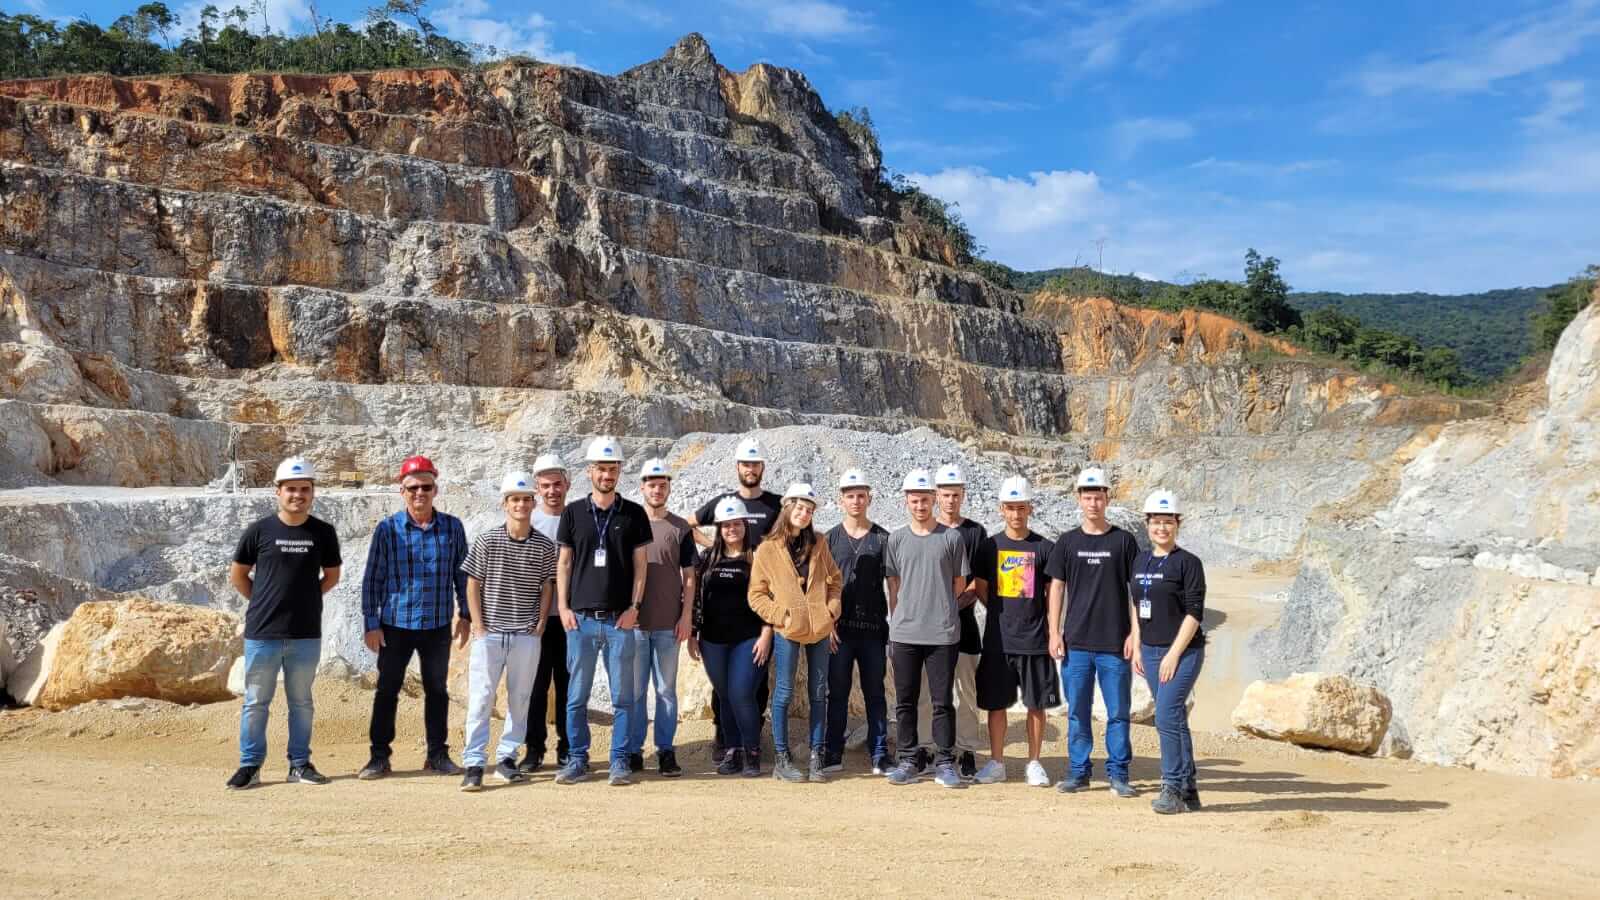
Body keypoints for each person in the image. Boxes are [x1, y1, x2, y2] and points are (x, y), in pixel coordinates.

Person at [226, 456, 342, 789]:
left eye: (304, 489)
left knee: (301, 702)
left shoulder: (323, 532)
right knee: (255, 702)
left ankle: (300, 763)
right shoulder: (259, 530)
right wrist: (264, 602)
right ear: (278, 491)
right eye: (291, 489)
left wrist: (304, 600)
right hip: (263, 634)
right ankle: (250, 765)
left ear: (312, 492)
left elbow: (331, 577)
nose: (297, 495)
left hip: (305, 634)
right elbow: (239, 576)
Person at [357, 455, 469, 781]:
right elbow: (372, 579)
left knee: (437, 690)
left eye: (426, 487)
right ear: (402, 491)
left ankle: (437, 754)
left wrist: (465, 615)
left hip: (436, 625)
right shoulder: (388, 529)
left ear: (435, 489)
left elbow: (462, 575)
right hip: (395, 625)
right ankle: (379, 757)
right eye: (413, 488)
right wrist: (371, 622)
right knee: (387, 690)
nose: (420, 493)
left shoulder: (453, 527)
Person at [554, 436, 653, 787]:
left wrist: (635, 607)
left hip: (619, 622)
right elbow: (563, 564)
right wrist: (563, 607)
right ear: (589, 471)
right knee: (576, 696)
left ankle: (619, 761)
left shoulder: (634, 514)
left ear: (619, 471)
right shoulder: (573, 513)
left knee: (623, 698)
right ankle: (577, 759)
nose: (607, 474)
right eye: (601, 468)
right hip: (580, 621)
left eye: (612, 469)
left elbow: (641, 567)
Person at [1046, 466, 1142, 797]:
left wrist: (1135, 634)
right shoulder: (1068, 542)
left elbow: (1136, 592)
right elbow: (1056, 588)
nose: (1093, 503)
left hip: (1115, 645)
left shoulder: (1124, 541)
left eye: (1098, 496)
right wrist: (1054, 633)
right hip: (1076, 644)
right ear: (1079, 499)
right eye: (1087, 496)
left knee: (1117, 713)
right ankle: (1079, 772)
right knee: (1077, 713)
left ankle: (1118, 774)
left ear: (1107, 499)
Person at [458, 471, 556, 792]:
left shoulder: (544, 546)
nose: (521, 505)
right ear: (505, 503)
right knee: (482, 698)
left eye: (527, 499)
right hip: (491, 634)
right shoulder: (488, 540)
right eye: (516, 499)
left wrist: (541, 622)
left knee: (520, 700)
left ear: (533, 503)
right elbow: (472, 582)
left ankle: (506, 759)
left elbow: (546, 585)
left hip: (526, 636)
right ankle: (473, 762)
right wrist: (479, 624)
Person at [687, 437, 781, 758]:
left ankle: (752, 739)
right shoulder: (722, 502)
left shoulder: (775, 505)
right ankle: (725, 737)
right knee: (724, 686)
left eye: (755, 464)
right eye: (745, 464)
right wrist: (712, 548)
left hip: (758, 605)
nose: (750, 469)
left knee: (754, 683)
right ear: (737, 467)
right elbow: (687, 524)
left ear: (762, 468)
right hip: (721, 617)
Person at [882, 469, 971, 788]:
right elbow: (893, 583)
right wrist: (901, 617)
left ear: (934, 500)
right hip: (905, 634)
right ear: (906, 501)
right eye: (914, 499)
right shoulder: (896, 539)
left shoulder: (951, 538)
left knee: (942, 700)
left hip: (942, 634)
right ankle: (908, 758)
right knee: (905, 700)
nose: (920, 505)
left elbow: (959, 584)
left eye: (925, 499)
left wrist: (939, 609)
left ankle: (945, 761)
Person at [749, 483, 843, 783]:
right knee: (784, 693)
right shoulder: (767, 549)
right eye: (800, 508)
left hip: (819, 628)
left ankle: (817, 756)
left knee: (818, 693)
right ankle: (782, 758)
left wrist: (831, 609)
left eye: (810, 510)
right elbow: (757, 594)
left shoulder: (819, 542)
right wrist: (782, 616)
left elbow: (835, 580)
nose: (805, 514)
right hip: (788, 630)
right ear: (787, 507)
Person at [972, 476, 1058, 787]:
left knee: (1036, 704)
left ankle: (1034, 762)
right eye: (1010, 508)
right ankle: (997, 762)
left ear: (1030, 508)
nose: (1016, 514)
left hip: (1035, 640)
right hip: (998, 641)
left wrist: (1051, 630)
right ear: (1001, 509)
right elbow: (981, 589)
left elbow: (1053, 594)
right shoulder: (988, 547)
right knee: (996, 704)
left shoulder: (1044, 548)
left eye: (1021, 508)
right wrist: (1000, 614)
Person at [1132, 490, 1206, 815]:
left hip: (1183, 651)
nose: (1162, 528)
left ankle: (1172, 788)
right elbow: (1135, 603)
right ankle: (1189, 791)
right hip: (1148, 649)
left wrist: (1174, 654)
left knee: (1164, 715)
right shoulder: (1141, 560)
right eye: (1156, 522)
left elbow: (1194, 613)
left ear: (1178, 523)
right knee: (1174, 718)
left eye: (1168, 521)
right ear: (1147, 524)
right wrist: (1136, 644)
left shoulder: (1189, 563)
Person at [688, 497, 771, 778]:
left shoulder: (758, 557)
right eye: (726, 525)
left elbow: (772, 597)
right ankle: (732, 750)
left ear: (745, 526)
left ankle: (752, 751)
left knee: (741, 694)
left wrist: (767, 633)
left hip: (748, 638)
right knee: (724, 696)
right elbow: (695, 597)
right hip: (712, 640)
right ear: (719, 528)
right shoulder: (707, 558)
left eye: (737, 524)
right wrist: (692, 633)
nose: (732, 529)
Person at [626, 458, 697, 778]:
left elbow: (690, 577)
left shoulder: (680, 527)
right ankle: (634, 750)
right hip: (636, 626)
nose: (657, 489)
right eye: (652, 484)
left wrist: (686, 617)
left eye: (662, 484)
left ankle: (666, 751)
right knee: (637, 691)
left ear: (668, 487)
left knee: (666, 691)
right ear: (642, 487)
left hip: (669, 624)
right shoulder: (629, 523)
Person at [918, 463, 987, 780]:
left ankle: (967, 749)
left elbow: (977, 582)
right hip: (927, 627)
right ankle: (926, 746)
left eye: (955, 495)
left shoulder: (975, 533)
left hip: (964, 625)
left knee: (966, 689)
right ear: (936, 496)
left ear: (963, 495)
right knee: (927, 689)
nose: (950, 501)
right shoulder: (926, 531)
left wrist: (950, 606)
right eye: (945, 495)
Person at [822, 469, 892, 775]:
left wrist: (895, 624)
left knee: (875, 692)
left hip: (874, 630)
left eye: (861, 495)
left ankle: (879, 753)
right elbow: (820, 586)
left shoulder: (883, 538)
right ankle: (832, 752)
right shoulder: (829, 539)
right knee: (836, 692)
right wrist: (826, 626)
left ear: (869, 498)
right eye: (850, 495)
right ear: (841, 500)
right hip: (840, 632)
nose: (856, 501)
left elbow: (894, 585)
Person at [519, 452, 572, 773]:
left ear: (567, 484)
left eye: (557, 484)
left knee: (569, 685)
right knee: (535, 686)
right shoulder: (528, 522)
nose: (552, 490)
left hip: (569, 619)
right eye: (546, 485)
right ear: (537, 488)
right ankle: (534, 750)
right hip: (535, 622)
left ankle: (567, 748)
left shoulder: (578, 517)